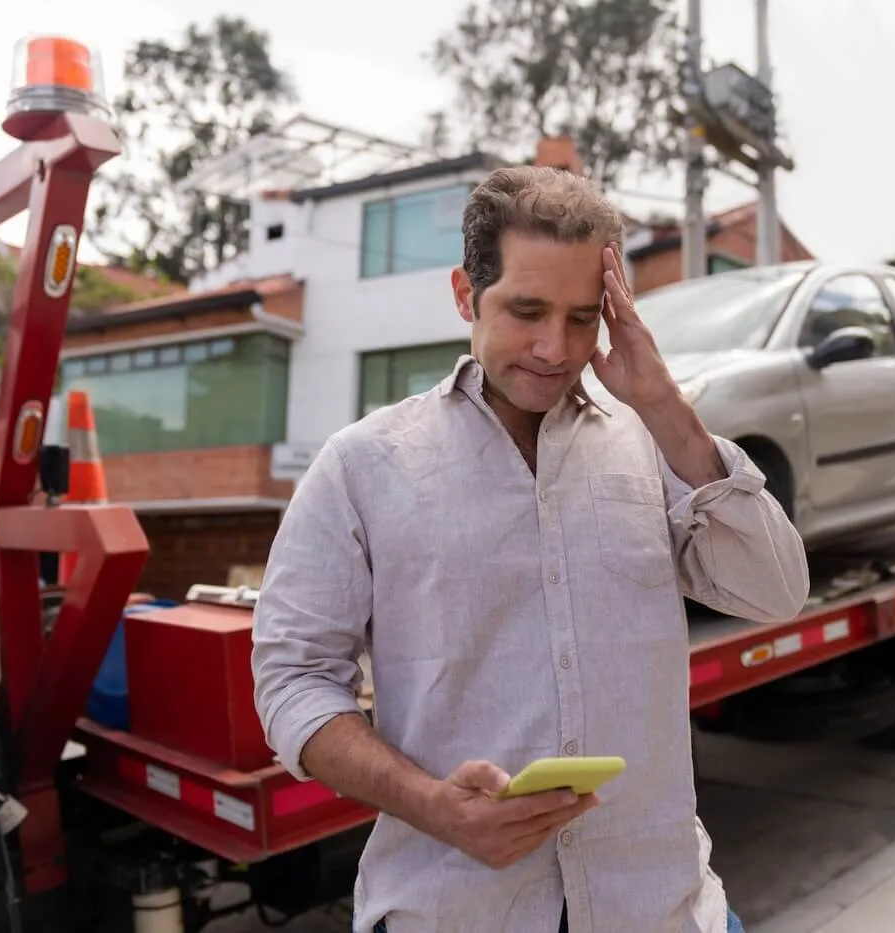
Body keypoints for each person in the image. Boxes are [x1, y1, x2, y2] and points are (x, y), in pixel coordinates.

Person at [251, 165, 810, 933]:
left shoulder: (653, 444)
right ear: (463, 294)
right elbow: (293, 681)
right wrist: (433, 806)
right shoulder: (362, 466)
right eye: (527, 310)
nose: (555, 346)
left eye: (584, 317)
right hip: (455, 910)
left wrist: (661, 404)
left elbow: (778, 589)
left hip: (662, 908)